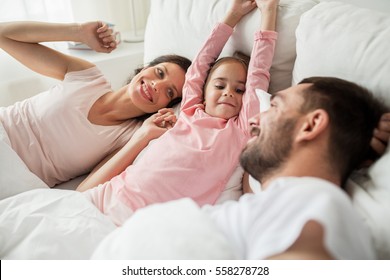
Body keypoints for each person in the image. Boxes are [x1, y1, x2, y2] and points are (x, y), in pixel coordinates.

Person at [78, 0, 279, 225]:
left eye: (239, 89)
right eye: (220, 86)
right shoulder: (191, 111)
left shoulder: (240, 129)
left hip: (148, 223)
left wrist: (269, 11)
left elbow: (258, 75)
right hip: (112, 195)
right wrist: (231, 15)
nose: (229, 93)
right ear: (203, 90)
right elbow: (199, 66)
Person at [200, 77, 389, 259]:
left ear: (311, 125)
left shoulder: (312, 200)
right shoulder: (270, 204)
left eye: (274, 106)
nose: (252, 120)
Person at [0, 21, 191, 188]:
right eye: (159, 73)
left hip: (14, 178)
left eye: (169, 92)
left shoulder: (128, 137)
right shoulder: (87, 76)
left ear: (166, 106)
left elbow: (85, 190)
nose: (156, 85)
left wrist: (142, 137)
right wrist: (77, 31)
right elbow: (3, 34)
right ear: (145, 68)